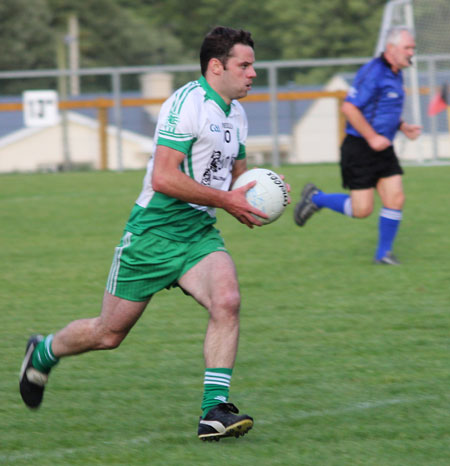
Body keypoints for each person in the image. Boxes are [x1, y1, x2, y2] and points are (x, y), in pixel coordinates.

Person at [20, 26, 268, 442]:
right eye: (244, 65)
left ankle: (214, 411)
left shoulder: (237, 114)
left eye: (252, 66)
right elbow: (164, 177)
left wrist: (263, 193)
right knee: (108, 334)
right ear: (216, 66)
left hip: (197, 232)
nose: (252, 73)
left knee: (228, 299)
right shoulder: (187, 103)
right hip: (153, 231)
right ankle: (44, 351)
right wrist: (227, 201)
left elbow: (239, 178)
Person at [294, 27, 421, 265]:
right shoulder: (373, 72)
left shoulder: (396, 72)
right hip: (360, 148)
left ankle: (383, 255)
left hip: (383, 148)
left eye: (412, 48)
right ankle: (316, 198)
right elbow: (350, 108)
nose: (412, 52)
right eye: (408, 48)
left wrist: (403, 126)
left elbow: (382, 108)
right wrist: (372, 137)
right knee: (362, 210)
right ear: (391, 49)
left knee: (396, 198)